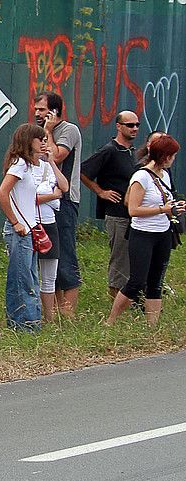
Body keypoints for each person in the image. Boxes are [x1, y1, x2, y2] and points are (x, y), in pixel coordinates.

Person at [105, 135, 184, 327]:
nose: (173, 160)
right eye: (172, 156)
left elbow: (164, 201)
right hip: (143, 234)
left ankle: (152, 326)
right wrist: (161, 210)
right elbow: (133, 210)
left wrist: (173, 206)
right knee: (137, 281)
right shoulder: (141, 177)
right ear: (164, 156)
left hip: (162, 232)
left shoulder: (164, 175)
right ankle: (111, 320)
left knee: (156, 281)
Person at [0, 123, 55, 331]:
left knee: (29, 277)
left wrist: (48, 159)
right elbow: (2, 194)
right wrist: (15, 222)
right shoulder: (19, 164)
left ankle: (26, 322)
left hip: (29, 229)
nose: (43, 144)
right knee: (23, 280)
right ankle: (26, 326)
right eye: (40, 140)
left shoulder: (29, 165)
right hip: (20, 231)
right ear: (29, 141)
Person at [81, 111, 141, 299]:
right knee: (120, 258)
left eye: (137, 125)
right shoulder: (110, 150)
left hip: (134, 215)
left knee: (133, 258)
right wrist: (100, 191)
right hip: (117, 214)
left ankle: (131, 297)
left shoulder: (132, 152)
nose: (134, 129)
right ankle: (116, 298)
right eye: (130, 125)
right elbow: (83, 171)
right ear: (118, 126)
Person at [34, 93, 83, 319]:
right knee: (48, 255)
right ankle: (51, 311)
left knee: (65, 253)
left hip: (63, 199)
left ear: (54, 112)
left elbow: (56, 156)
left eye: (42, 110)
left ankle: (69, 311)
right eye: (36, 109)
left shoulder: (68, 130)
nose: (37, 113)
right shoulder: (36, 132)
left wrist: (49, 131)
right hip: (43, 202)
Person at [34, 134, 70, 324]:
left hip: (49, 223)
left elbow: (63, 187)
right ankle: (31, 313)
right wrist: (52, 196)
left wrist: (52, 163)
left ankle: (48, 317)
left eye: (45, 142)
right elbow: (30, 198)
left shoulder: (48, 168)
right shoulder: (25, 168)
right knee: (30, 270)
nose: (42, 146)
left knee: (49, 275)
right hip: (31, 223)